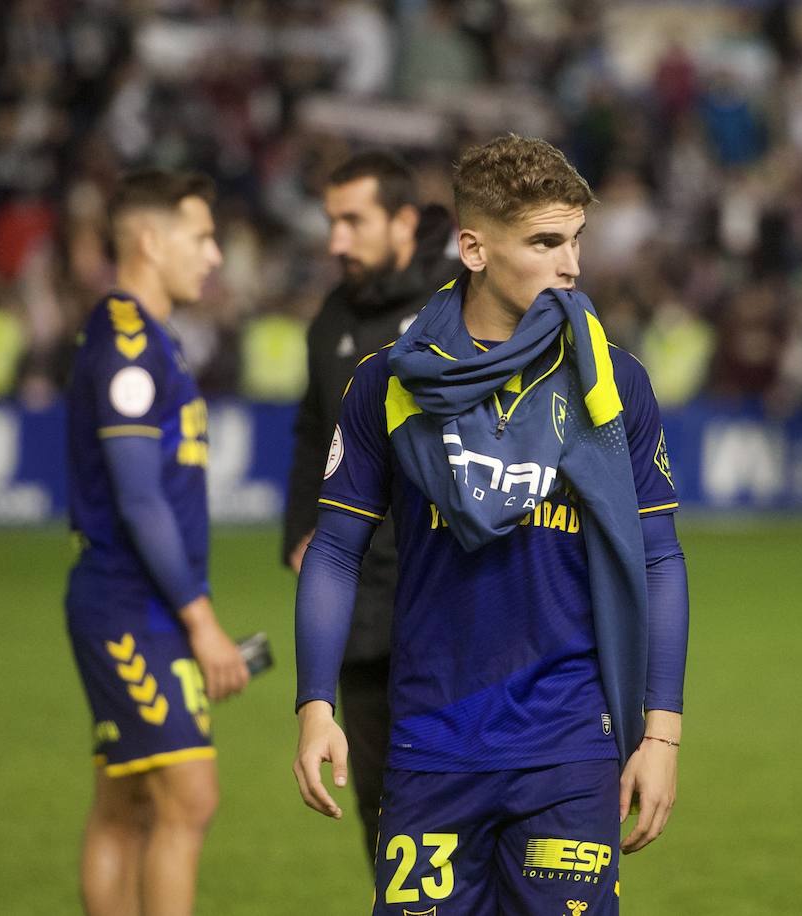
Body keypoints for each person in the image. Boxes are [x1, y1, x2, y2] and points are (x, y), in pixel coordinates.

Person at [293, 135, 690, 914]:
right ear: (473, 248)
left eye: (576, 239)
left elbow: (660, 557)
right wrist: (314, 707)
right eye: (545, 242)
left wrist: (662, 736)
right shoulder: (389, 384)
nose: (571, 265)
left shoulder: (611, 380)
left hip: (571, 745)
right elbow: (335, 549)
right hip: (432, 741)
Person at [63, 169, 249, 916]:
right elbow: (140, 501)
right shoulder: (131, 344)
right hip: (128, 606)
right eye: (202, 237)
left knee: (127, 805)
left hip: (141, 604)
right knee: (189, 799)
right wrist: (201, 621)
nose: (214, 256)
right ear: (149, 239)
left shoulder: (153, 340)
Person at [282, 149, 460, 868]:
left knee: (467, 814)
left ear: (404, 222)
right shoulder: (331, 319)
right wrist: (300, 531)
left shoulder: (462, 299)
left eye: (353, 221)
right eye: (331, 223)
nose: (336, 242)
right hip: (360, 610)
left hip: (451, 607)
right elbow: (310, 431)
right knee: (386, 822)